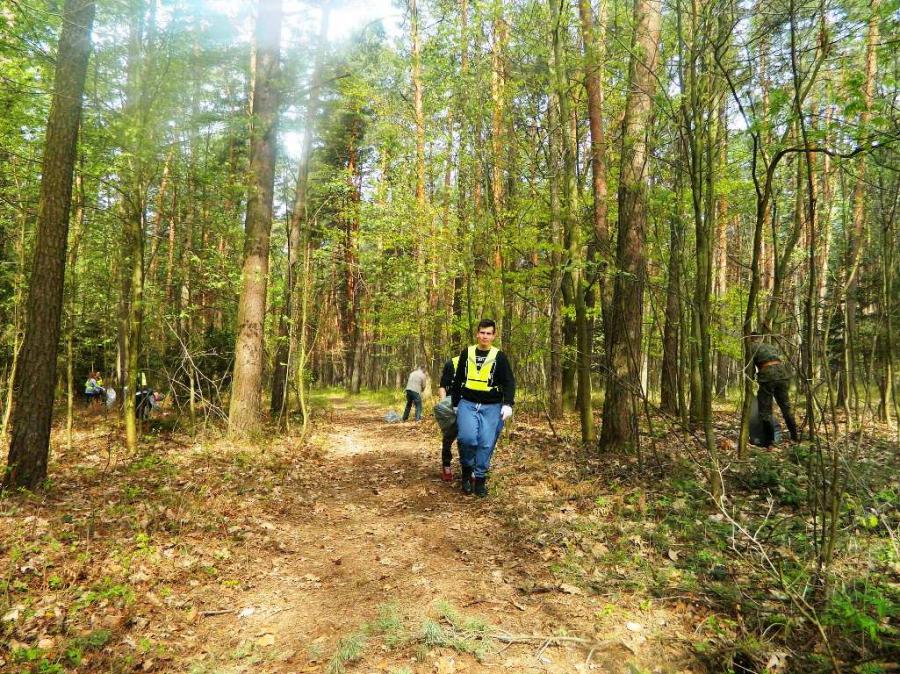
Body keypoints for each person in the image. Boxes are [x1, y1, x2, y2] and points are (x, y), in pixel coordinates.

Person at [451, 319, 515, 497]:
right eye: (482, 333)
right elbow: (458, 380)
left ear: (494, 336)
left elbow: (509, 382)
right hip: (468, 403)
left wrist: (508, 404)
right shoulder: (467, 353)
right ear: (477, 334)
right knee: (467, 439)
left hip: (491, 406)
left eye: (488, 333)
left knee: (486, 444)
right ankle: (466, 472)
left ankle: (480, 480)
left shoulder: (499, 356)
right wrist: (455, 403)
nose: (485, 336)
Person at [750, 331, 799, 446]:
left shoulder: (751, 348)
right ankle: (795, 437)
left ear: (750, 339)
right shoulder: (770, 346)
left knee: (765, 411)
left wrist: (751, 378)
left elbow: (750, 368)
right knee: (786, 407)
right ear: (760, 338)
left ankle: (769, 442)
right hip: (782, 375)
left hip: (768, 377)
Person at [435, 355, 461, 481]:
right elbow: (443, 386)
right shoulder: (452, 363)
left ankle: (469, 469)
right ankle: (446, 466)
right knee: (448, 438)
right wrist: (444, 404)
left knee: (467, 440)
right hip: (451, 408)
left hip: (470, 408)